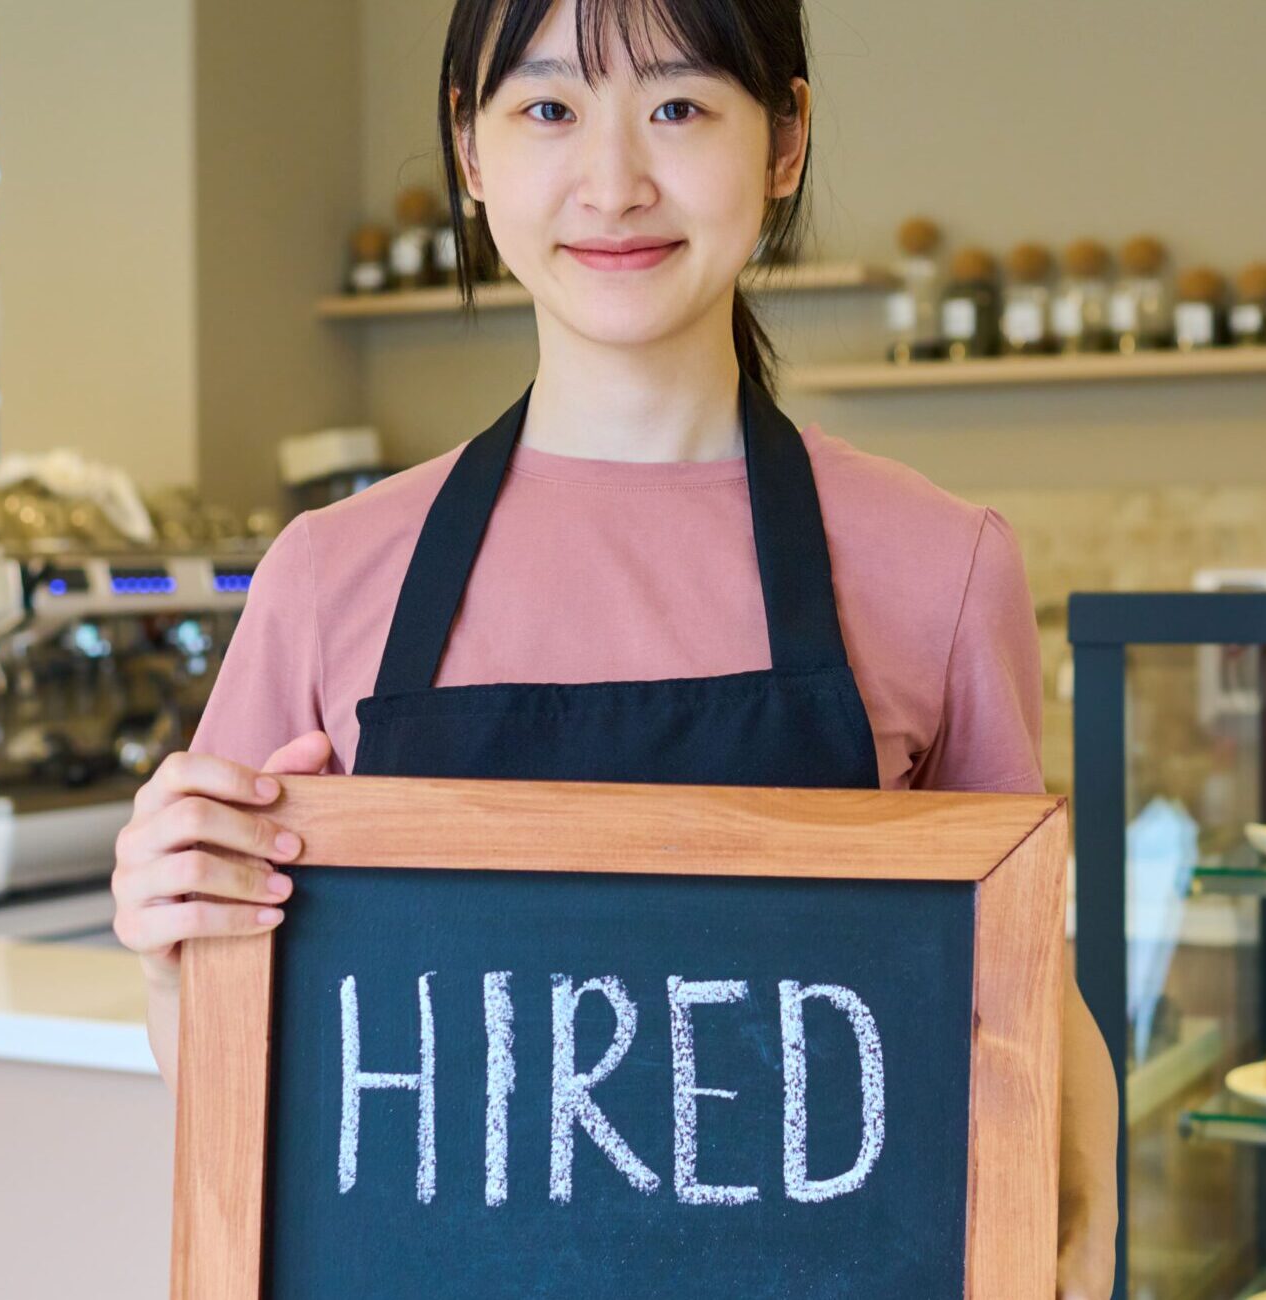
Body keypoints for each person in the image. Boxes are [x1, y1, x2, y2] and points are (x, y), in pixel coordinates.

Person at [110, 0, 1117, 1290]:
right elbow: (249, 1062)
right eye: (546, 110)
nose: (614, 182)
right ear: (472, 159)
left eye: (681, 108)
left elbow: (1026, 992)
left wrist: (1078, 1236)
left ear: (787, 142)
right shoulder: (329, 574)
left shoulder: (943, 563)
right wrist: (170, 941)